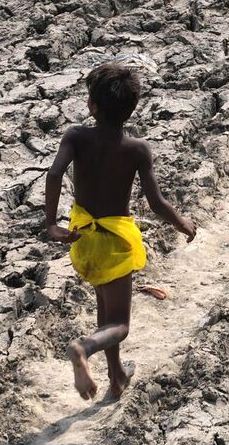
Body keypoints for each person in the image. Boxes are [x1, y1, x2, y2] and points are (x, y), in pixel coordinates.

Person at [42, 62, 197, 401]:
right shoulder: (137, 149)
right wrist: (181, 222)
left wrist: (52, 223)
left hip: (82, 237)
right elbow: (155, 202)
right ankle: (83, 348)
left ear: (91, 105)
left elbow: (54, 175)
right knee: (120, 325)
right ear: (132, 108)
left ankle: (117, 377)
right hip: (116, 243)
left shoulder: (76, 136)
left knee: (105, 310)